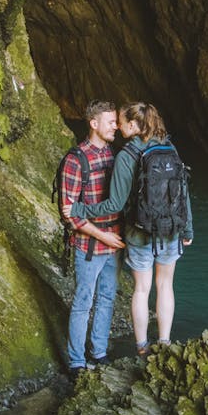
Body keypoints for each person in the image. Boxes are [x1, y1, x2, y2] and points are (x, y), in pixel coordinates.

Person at [63, 102, 193, 357]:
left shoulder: (126, 155)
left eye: (121, 121)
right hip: (171, 230)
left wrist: (79, 210)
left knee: (142, 289)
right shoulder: (169, 147)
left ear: (133, 125)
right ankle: (165, 342)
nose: (118, 126)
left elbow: (115, 204)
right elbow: (183, 191)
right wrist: (187, 229)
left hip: (140, 232)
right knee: (166, 286)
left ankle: (142, 347)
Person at [61, 99, 125, 379]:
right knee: (83, 302)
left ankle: (98, 352)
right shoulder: (75, 160)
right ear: (93, 123)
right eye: (111, 122)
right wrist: (104, 237)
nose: (117, 126)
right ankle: (76, 361)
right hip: (90, 246)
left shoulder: (110, 153)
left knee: (108, 298)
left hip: (113, 243)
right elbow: (69, 214)